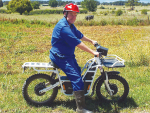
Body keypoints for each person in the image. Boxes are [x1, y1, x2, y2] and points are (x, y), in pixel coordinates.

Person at [49, 3, 99, 113]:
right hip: (60, 57)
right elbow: (78, 43)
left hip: (67, 55)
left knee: (78, 71)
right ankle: (80, 108)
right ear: (65, 13)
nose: (74, 17)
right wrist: (92, 52)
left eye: (75, 15)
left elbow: (79, 35)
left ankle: (74, 91)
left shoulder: (70, 25)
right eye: (71, 14)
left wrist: (91, 41)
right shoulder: (64, 27)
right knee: (77, 79)